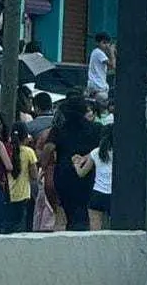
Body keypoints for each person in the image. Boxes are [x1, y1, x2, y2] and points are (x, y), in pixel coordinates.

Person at [41, 95, 100, 231]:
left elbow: (48, 148)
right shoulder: (96, 128)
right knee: (85, 211)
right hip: (88, 173)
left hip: (64, 174)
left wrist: (43, 166)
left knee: (66, 211)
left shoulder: (58, 129)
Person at [72, 123, 112, 230]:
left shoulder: (96, 152)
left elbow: (81, 173)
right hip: (115, 196)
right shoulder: (122, 153)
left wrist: (76, 164)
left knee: (95, 230)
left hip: (98, 194)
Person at [5, 122, 39, 233]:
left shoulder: (6, 150)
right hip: (24, 194)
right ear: (25, 137)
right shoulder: (29, 152)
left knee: (9, 226)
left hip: (8, 193)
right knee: (22, 227)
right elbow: (34, 176)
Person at [87, 33, 115, 101]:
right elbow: (113, 65)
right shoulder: (99, 53)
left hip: (95, 84)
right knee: (103, 98)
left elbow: (109, 69)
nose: (106, 45)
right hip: (98, 85)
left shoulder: (96, 52)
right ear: (97, 43)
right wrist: (111, 52)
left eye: (108, 43)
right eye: (104, 43)